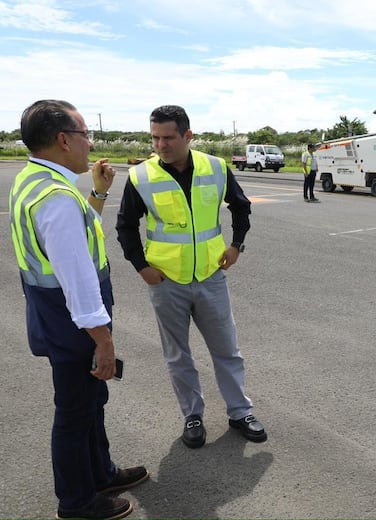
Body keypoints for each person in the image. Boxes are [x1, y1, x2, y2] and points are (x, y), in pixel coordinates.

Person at [9, 100, 148, 520]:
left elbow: (77, 230)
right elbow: (76, 276)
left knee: (91, 402)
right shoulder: (55, 198)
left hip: (54, 317)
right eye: (86, 134)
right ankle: (76, 501)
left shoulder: (35, 180)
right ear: (63, 139)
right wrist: (103, 340)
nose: (90, 143)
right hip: (73, 325)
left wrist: (99, 192)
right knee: (74, 412)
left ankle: (101, 474)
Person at [116, 105, 266, 449]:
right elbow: (125, 226)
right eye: (155, 138)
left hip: (211, 275)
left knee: (227, 349)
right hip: (166, 281)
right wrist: (142, 267)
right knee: (177, 355)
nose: (160, 145)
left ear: (188, 135)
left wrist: (237, 245)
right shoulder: (141, 176)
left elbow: (241, 205)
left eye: (168, 137)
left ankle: (240, 411)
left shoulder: (216, 167)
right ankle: (192, 415)